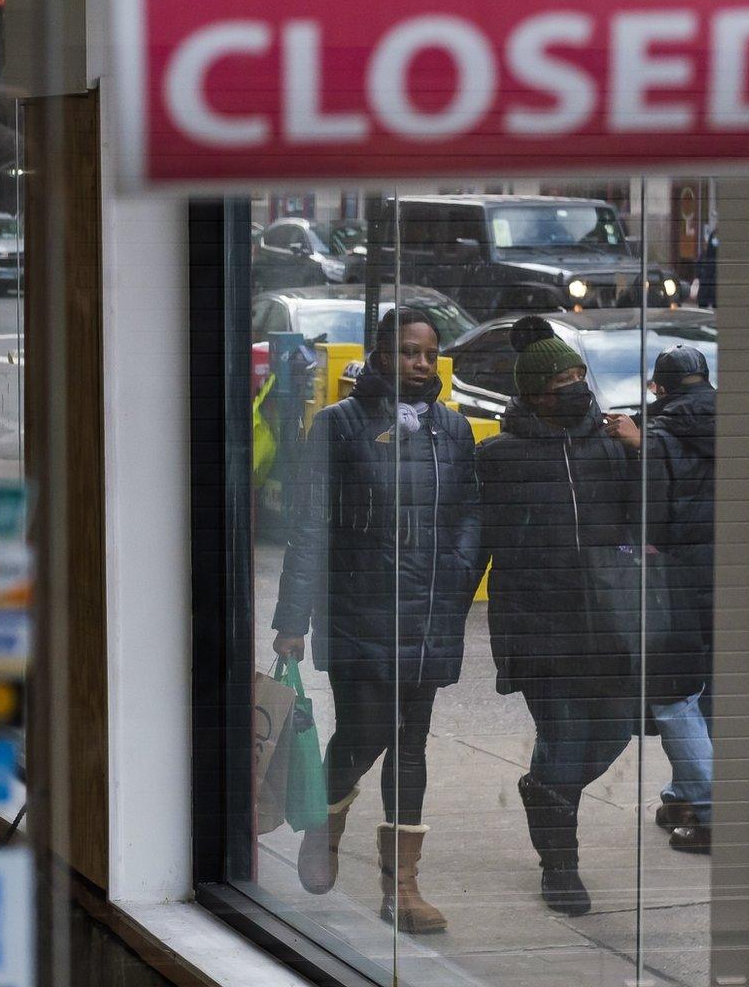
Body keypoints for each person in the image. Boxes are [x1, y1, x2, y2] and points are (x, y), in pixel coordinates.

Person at [271, 308, 481, 935]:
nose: (420, 364)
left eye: (428, 353)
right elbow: (309, 524)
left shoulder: (454, 429)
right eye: (407, 352)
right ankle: (322, 826)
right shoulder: (338, 425)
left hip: (429, 614)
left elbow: (470, 512)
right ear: (380, 355)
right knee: (363, 733)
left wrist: (459, 573)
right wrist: (293, 617)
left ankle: (403, 888)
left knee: (410, 743)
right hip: (359, 608)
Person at [476, 316, 642, 917]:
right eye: (564, 378)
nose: (577, 385)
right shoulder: (498, 458)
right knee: (565, 739)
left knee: (615, 731)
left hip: (611, 627)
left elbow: (660, 519)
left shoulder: (612, 448)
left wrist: (643, 453)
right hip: (540, 627)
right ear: (536, 393)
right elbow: (473, 545)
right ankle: (561, 867)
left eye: (579, 373)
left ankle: (546, 793)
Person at [608, 345, 718, 855]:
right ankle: (684, 795)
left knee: (674, 695)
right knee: (712, 691)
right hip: (734, 579)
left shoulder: (655, 437)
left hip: (676, 583)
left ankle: (713, 810)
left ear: (659, 387)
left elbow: (644, 523)